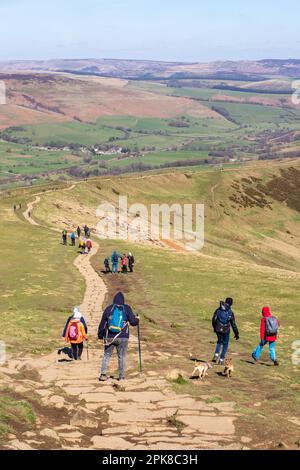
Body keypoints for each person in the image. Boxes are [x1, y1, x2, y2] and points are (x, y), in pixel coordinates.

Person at [98, 292, 139, 381]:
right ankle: (122, 377)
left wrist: (100, 335)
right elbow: (133, 322)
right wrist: (137, 320)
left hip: (110, 337)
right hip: (123, 336)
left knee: (107, 355)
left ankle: (103, 374)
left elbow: (102, 323)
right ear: (123, 300)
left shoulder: (109, 309)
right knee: (121, 356)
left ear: (114, 300)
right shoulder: (126, 308)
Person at [212, 297, 239, 365]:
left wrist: (214, 328)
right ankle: (221, 359)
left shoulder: (218, 309)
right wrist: (236, 333)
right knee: (225, 344)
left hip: (218, 328)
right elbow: (233, 324)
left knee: (219, 342)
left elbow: (214, 319)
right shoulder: (230, 312)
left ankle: (216, 355)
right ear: (231, 304)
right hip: (226, 330)